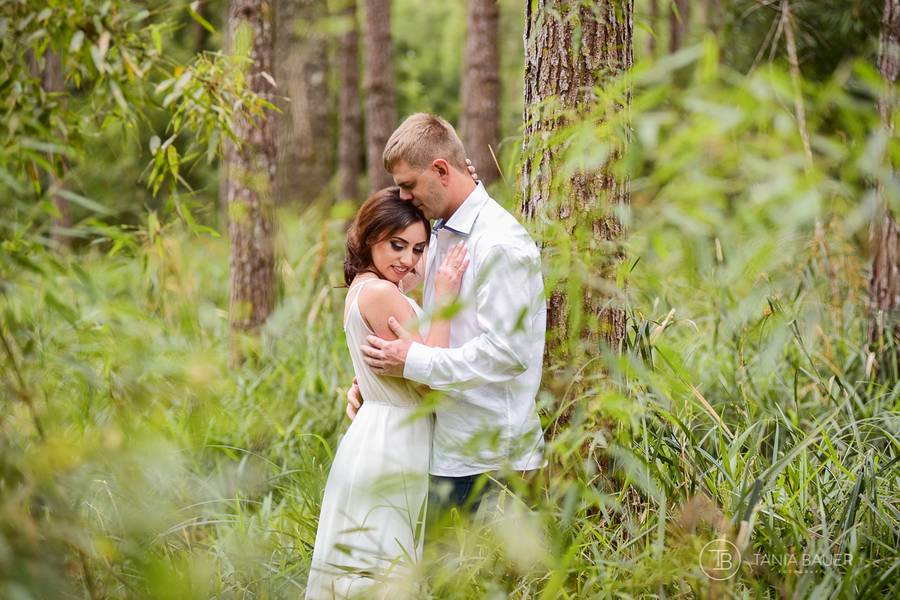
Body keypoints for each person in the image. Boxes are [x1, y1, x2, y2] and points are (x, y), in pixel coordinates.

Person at [347, 113, 546, 519]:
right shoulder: (441, 232)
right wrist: (382, 379)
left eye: (408, 186)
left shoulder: (499, 245)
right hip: (447, 450)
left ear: (440, 170)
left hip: (491, 460)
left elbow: (508, 353)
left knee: (494, 580)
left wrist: (410, 362)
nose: (402, 198)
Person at [305, 187, 469, 599]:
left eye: (417, 249)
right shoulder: (381, 294)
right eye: (397, 245)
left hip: (381, 429)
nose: (408, 260)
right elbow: (430, 373)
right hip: (393, 439)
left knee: (371, 562)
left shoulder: (365, 286)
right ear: (369, 237)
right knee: (382, 567)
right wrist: (447, 296)